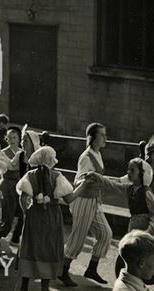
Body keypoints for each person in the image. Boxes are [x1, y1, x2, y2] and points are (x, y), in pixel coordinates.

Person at [16, 146, 86, 291]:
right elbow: (69, 198)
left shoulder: (30, 175)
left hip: (34, 214)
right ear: (51, 160)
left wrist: (26, 212)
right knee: (49, 247)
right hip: (52, 216)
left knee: (31, 246)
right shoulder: (57, 176)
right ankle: (45, 286)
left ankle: (24, 284)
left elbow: (23, 198)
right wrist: (83, 185)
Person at [60, 122, 112, 286]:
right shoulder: (86, 157)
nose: (105, 138)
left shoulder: (97, 154)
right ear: (92, 137)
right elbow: (78, 180)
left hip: (94, 201)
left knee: (106, 234)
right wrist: (90, 179)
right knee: (78, 237)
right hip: (83, 201)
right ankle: (63, 270)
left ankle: (91, 268)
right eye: (102, 135)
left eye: (105, 134)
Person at [87, 158, 154, 279]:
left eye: (132, 170)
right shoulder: (129, 188)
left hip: (144, 229)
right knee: (131, 256)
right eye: (129, 169)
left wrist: (149, 230)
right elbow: (113, 185)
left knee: (142, 259)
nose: (128, 172)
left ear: (142, 173)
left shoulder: (146, 193)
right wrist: (97, 176)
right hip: (133, 226)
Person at [0, 126, 25, 244]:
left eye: (14, 137)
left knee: (22, 213)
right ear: (6, 139)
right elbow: (5, 169)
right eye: (9, 138)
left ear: (19, 139)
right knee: (7, 216)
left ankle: (15, 238)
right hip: (7, 184)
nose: (12, 140)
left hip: (19, 186)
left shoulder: (22, 152)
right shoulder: (2, 153)